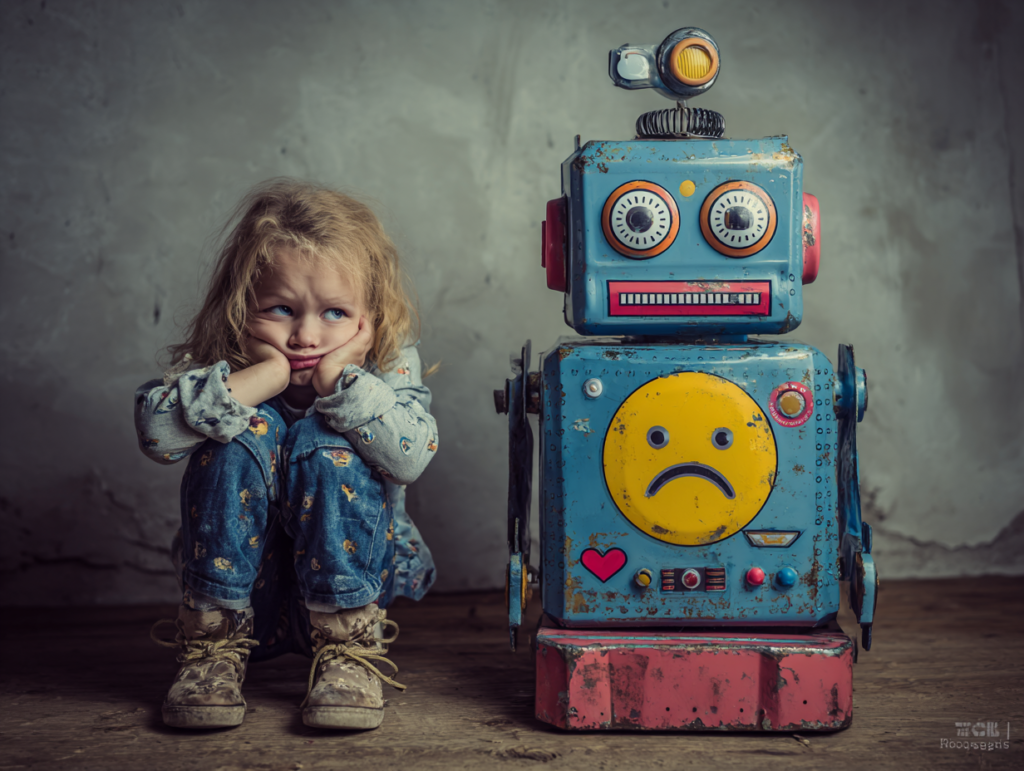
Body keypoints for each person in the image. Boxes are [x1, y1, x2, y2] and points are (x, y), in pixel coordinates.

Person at [135, 179, 437, 731]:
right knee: (240, 434)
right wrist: (264, 377)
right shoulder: (221, 364)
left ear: (369, 315)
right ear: (241, 306)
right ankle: (211, 650)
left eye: (336, 313)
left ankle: (347, 653)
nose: (305, 335)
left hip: (353, 590)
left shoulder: (386, 361)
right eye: (280, 308)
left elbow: (410, 457)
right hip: (244, 591)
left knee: (326, 443)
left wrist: (337, 381)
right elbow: (157, 435)